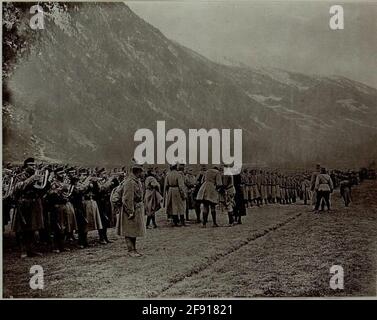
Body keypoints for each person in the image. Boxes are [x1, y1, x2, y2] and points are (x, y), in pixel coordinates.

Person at [12, 158, 46, 258]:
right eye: (31, 165)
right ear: (26, 166)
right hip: (24, 203)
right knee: (23, 228)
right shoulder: (20, 176)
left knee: (33, 228)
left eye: (34, 165)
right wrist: (32, 179)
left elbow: (41, 189)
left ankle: (31, 250)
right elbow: (19, 187)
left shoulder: (36, 175)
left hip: (34, 203)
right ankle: (23, 251)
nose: (33, 167)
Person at [116, 162, 145, 257]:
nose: (143, 173)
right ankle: (130, 250)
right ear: (138, 171)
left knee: (134, 230)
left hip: (135, 208)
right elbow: (127, 199)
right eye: (142, 171)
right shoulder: (130, 182)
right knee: (128, 231)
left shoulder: (136, 181)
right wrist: (130, 211)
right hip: (129, 209)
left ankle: (134, 249)